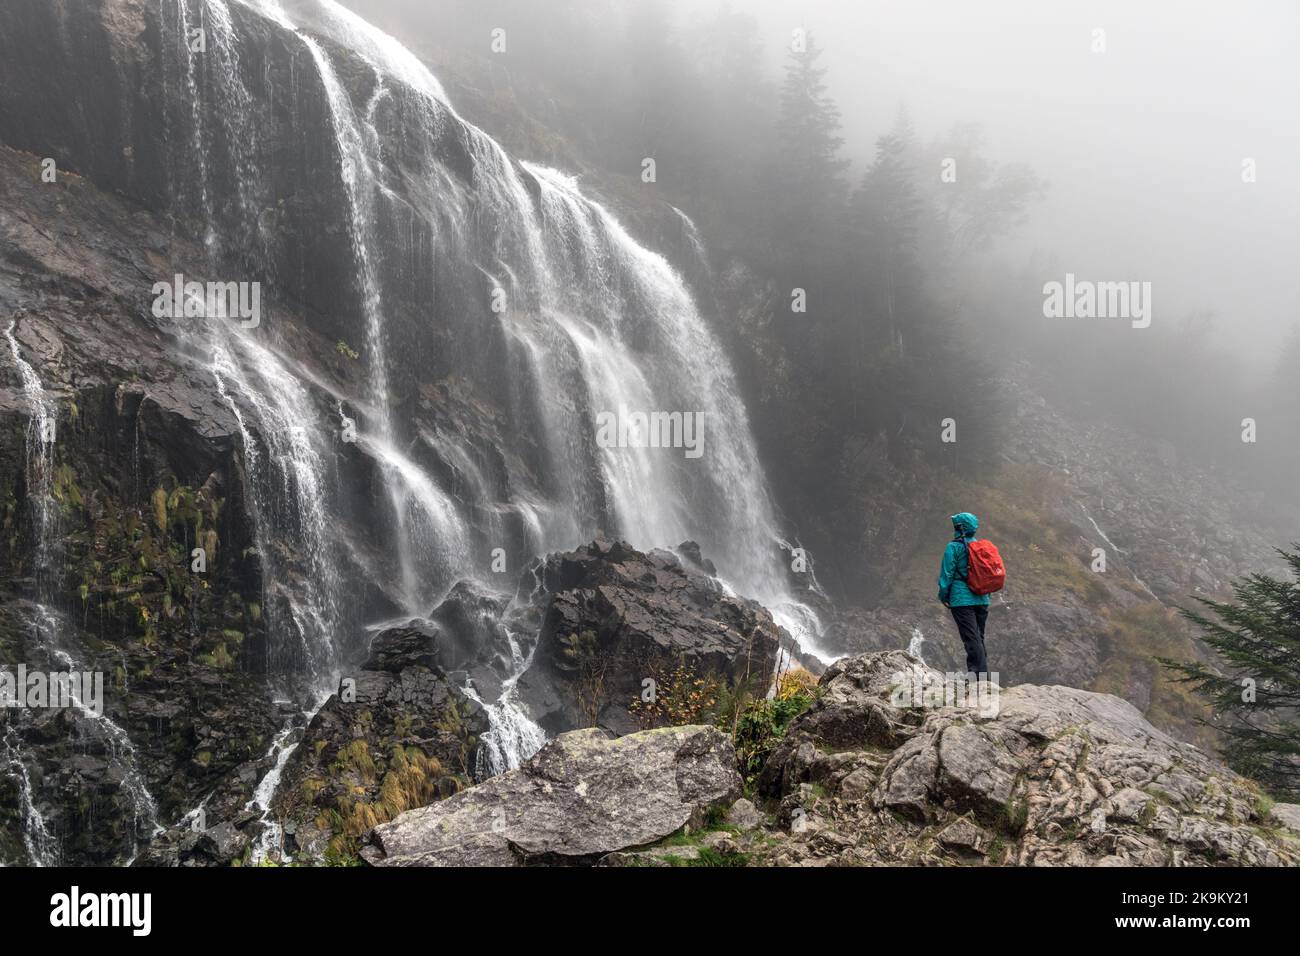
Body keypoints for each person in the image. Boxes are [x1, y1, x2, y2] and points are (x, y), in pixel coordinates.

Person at [937, 511, 990, 677]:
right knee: (978, 637)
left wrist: (944, 596)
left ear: (959, 527)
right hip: (982, 598)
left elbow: (947, 575)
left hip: (961, 599)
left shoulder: (953, 547)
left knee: (971, 638)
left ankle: (977, 677)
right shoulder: (981, 547)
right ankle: (983, 676)